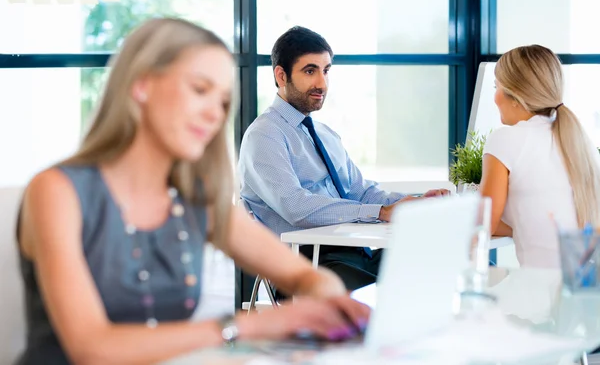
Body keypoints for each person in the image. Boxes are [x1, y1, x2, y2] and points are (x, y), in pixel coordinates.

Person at [15, 18, 370, 365]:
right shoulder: (57, 191)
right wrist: (251, 325)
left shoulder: (195, 195)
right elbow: (92, 349)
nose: (214, 114)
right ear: (142, 85)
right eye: (200, 90)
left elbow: (301, 275)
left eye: (222, 101)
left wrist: (327, 299)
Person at [238, 26, 448, 292]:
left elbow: (361, 192)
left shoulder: (326, 135)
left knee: (446, 255)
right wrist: (381, 213)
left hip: (354, 255)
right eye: (310, 71)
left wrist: (413, 204)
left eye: (326, 71)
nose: (322, 84)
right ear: (281, 75)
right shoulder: (265, 135)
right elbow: (296, 207)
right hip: (306, 268)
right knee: (393, 292)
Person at [480, 44, 600, 268]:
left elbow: (482, 225)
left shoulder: (506, 139)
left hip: (541, 293)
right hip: (586, 293)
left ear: (514, 96)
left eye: (497, 87)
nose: (495, 97)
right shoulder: (580, 143)